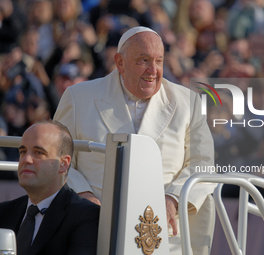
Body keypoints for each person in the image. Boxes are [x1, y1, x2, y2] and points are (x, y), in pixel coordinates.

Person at [53, 26, 216, 254]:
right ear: (119, 62)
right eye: (143, 61)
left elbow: (204, 165)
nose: (153, 71)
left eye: (159, 61)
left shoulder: (188, 102)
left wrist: (173, 198)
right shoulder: (78, 97)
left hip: (164, 232)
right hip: (93, 226)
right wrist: (82, 195)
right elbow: (55, 156)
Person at [0, 120, 100, 255]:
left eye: (38, 152)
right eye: (23, 152)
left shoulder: (86, 216)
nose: (26, 159)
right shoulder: (4, 212)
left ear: (64, 163)